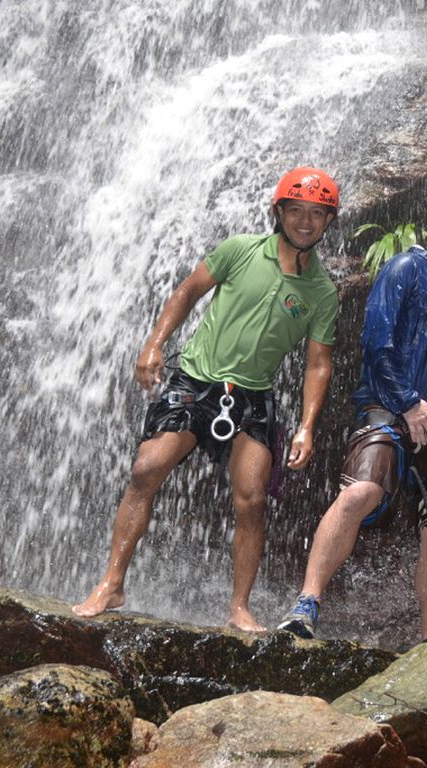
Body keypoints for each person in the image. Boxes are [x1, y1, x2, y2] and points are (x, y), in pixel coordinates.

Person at [73, 167, 341, 631]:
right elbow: (188, 290)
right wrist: (155, 343)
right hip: (196, 380)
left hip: (253, 396)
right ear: (277, 212)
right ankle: (112, 583)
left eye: (317, 215)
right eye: (295, 210)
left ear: (327, 223)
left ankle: (239, 606)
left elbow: (319, 364)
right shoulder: (239, 250)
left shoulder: (322, 292)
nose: (305, 221)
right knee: (146, 469)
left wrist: (307, 425)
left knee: (252, 498)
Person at [276, 186, 427, 642]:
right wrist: (409, 403)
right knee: (360, 494)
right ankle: (306, 603)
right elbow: (377, 344)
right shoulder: (405, 268)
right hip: (389, 409)